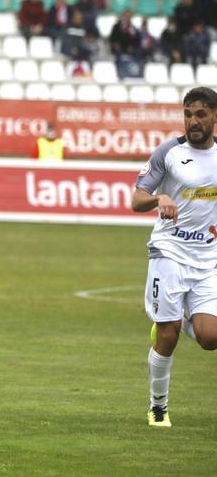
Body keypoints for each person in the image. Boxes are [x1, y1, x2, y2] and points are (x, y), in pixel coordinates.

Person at [131, 86, 217, 428]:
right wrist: (158, 200)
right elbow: (137, 199)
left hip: (208, 259)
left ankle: (181, 317)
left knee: (210, 339)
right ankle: (158, 407)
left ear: (214, 116)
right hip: (169, 252)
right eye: (187, 114)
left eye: (200, 114)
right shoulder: (169, 152)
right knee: (166, 336)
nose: (192, 122)